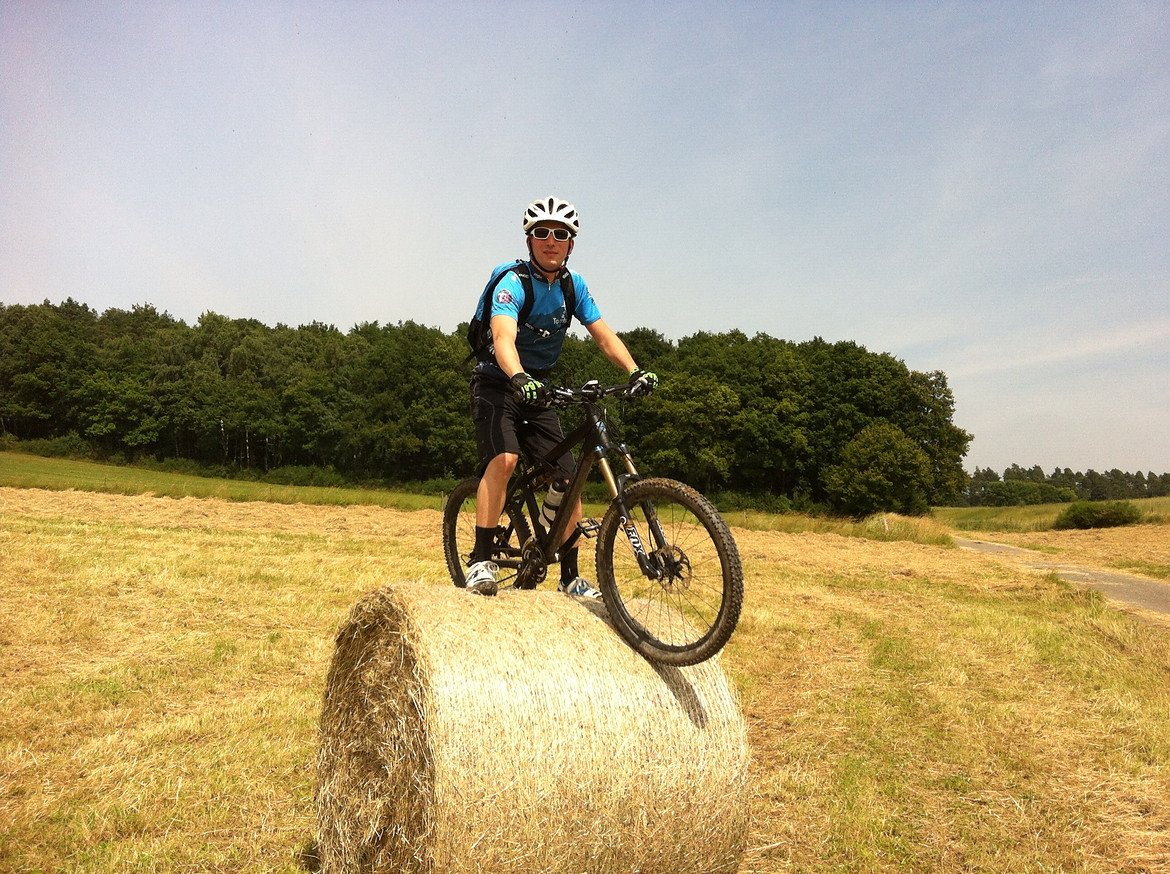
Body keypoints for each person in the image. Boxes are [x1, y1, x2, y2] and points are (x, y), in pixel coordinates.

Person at [465, 196, 658, 597]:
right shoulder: (513, 283)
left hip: (539, 388)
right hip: (499, 381)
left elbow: (603, 335)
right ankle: (480, 560)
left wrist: (634, 370)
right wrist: (518, 376)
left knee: (571, 479)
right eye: (541, 232)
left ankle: (570, 577)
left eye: (560, 233)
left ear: (571, 243)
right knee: (505, 459)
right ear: (529, 241)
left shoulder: (574, 286)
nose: (550, 240)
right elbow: (503, 337)